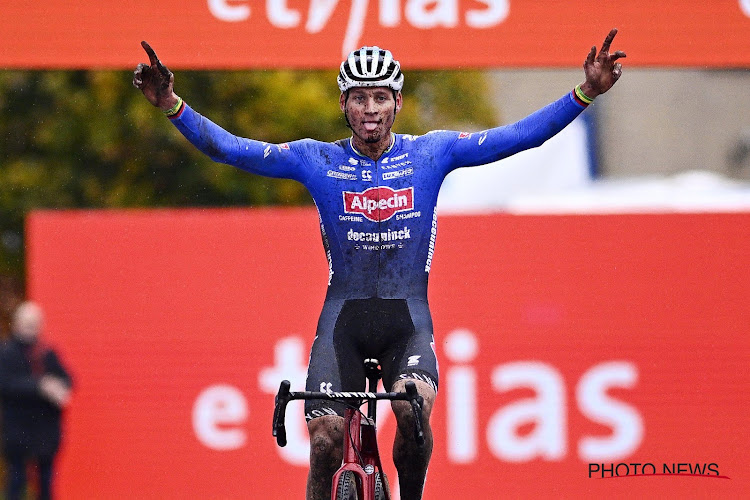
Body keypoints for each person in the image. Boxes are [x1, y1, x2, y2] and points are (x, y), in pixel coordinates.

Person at [134, 30, 625, 499]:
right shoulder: (316, 159)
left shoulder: (432, 152)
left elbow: (519, 137)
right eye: (359, 98)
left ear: (398, 103)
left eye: (381, 98)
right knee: (325, 439)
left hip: (405, 321)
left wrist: (585, 92)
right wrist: (173, 106)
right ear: (343, 105)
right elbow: (231, 150)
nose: (370, 110)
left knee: (413, 416)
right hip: (343, 322)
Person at [0, 302, 73, 500]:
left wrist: (59, 387)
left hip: (45, 434)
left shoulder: (46, 352)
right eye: (27, 323)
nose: (32, 328)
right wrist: (40, 386)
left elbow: (68, 378)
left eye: (35, 324)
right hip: (18, 432)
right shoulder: (7, 352)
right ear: (16, 323)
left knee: (46, 485)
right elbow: (6, 384)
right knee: (16, 482)